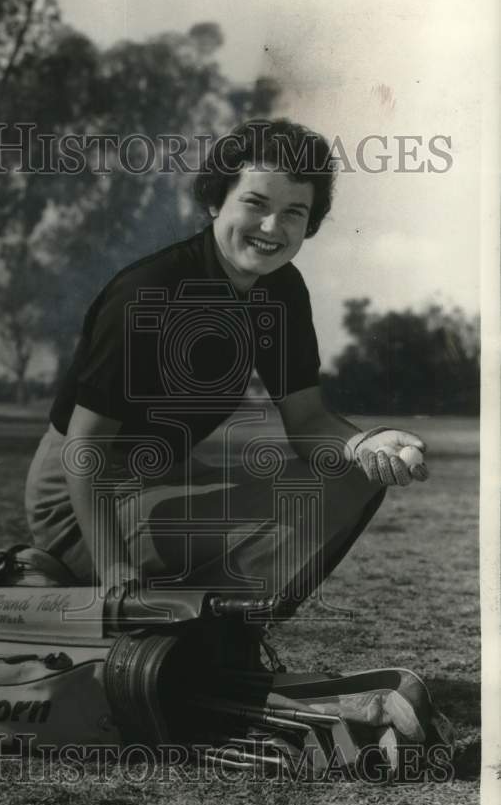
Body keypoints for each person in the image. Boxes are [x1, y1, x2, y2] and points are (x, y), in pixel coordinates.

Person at [24, 119, 428, 617]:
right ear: (217, 200)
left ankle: (225, 631)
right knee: (296, 496)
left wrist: (365, 444)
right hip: (81, 505)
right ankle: (160, 615)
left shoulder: (281, 289)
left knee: (353, 476)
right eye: (255, 204)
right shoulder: (149, 292)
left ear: (309, 225)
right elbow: (84, 446)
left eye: (293, 213)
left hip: (166, 481)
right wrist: (115, 572)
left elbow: (308, 423)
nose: (271, 228)